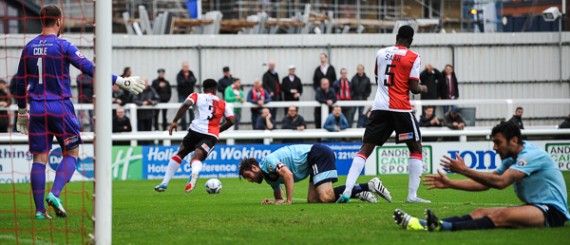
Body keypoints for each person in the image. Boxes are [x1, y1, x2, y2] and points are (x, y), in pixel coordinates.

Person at [14, 5, 144, 219]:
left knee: (39, 158)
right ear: (58, 21)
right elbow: (90, 68)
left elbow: (20, 83)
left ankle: (39, 211)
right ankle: (54, 194)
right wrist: (121, 81)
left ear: (41, 21)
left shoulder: (28, 47)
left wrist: (21, 111)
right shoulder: (63, 45)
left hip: (36, 108)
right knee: (71, 153)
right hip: (60, 107)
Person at [394, 121, 569, 231]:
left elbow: (500, 183)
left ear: (514, 141)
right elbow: (486, 183)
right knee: (480, 212)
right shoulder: (512, 158)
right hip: (535, 206)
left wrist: (464, 170)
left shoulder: (531, 156)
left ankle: (442, 228)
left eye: (497, 142)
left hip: (552, 211)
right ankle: (425, 224)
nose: (494, 148)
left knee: (501, 216)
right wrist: (450, 183)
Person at [338, 25, 429, 204]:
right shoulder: (414, 57)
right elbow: (413, 88)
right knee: (416, 148)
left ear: (396, 36)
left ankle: (348, 190)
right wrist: (424, 88)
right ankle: (411, 196)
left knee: (365, 149)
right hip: (401, 109)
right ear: (411, 40)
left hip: (379, 108)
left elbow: (378, 79)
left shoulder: (380, 53)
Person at [238, 144, 391, 204]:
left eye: (248, 176)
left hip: (317, 154)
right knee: (313, 200)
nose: (249, 180)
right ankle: (358, 193)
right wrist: (272, 202)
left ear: (254, 167)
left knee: (325, 196)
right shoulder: (268, 178)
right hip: (312, 163)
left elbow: (288, 175)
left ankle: (370, 185)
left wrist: (289, 201)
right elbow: (280, 198)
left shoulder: (268, 162)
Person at [154, 79, 234, 193]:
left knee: (180, 154)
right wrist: (217, 130)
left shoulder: (196, 95)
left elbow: (186, 104)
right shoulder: (223, 103)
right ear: (215, 89)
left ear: (203, 88)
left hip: (195, 131)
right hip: (211, 135)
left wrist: (175, 121)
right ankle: (194, 173)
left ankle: (164, 183)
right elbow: (231, 120)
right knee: (196, 158)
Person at [176, 62, 197, 129]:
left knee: (191, 112)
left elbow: (194, 81)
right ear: (182, 67)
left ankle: (192, 128)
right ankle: (183, 128)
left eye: (187, 66)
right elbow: (181, 83)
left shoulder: (191, 73)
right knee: (183, 113)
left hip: (190, 96)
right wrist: (188, 81)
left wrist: (186, 81)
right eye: (184, 66)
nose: (186, 68)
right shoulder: (179, 75)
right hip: (182, 96)